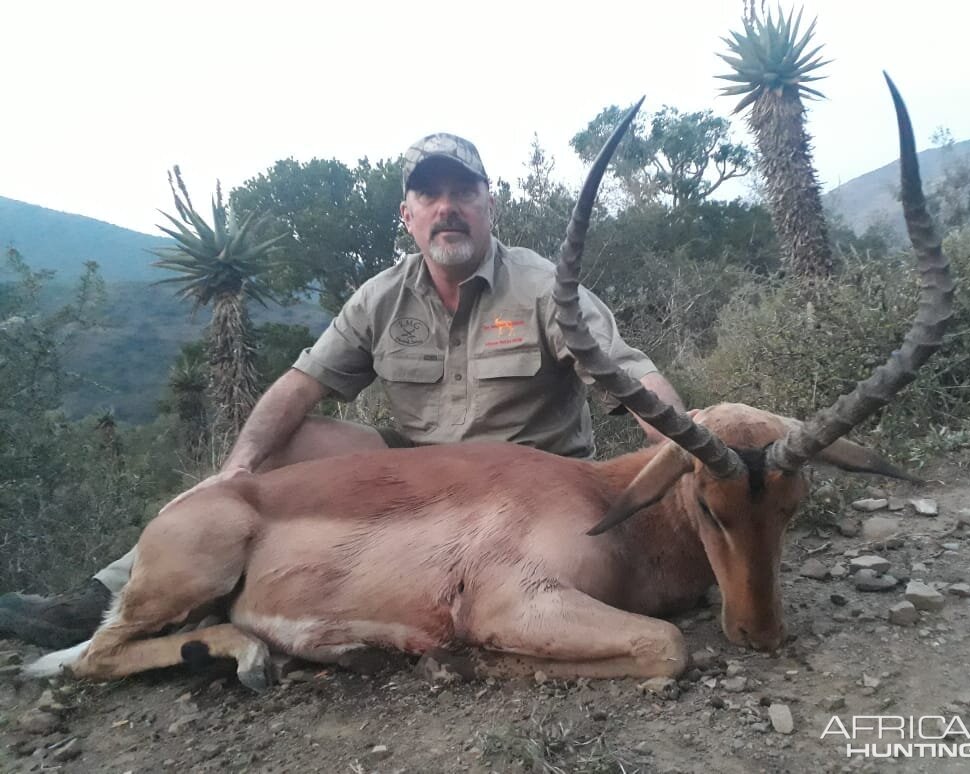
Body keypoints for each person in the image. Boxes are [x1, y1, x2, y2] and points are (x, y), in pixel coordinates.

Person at [0, 133, 687, 648]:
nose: (448, 209)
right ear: (408, 215)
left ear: (490, 205)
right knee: (279, 442)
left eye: (463, 193)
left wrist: (694, 446)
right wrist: (236, 471)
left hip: (533, 494)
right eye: (430, 196)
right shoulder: (381, 296)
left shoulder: (540, 285)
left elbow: (631, 377)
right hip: (420, 476)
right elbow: (299, 384)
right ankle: (104, 594)